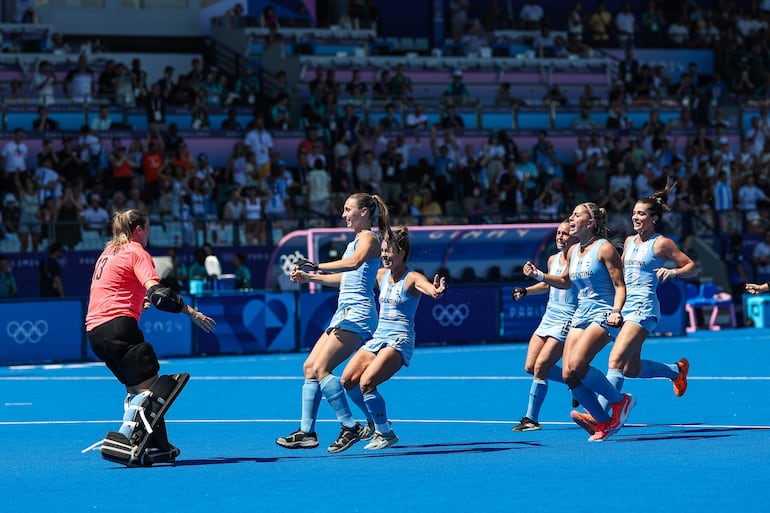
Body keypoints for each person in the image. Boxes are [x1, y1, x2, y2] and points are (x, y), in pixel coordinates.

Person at [84, 209, 215, 466]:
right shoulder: (136, 251)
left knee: (140, 387)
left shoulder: (108, 252)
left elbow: (115, 286)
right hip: (117, 326)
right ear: (138, 230)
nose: (150, 233)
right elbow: (161, 296)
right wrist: (191, 313)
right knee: (154, 391)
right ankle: (123, 438)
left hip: (95, 331)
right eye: (148, 227)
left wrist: (138, 299)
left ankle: (160, 448)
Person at [573, 186, 696, 435]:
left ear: (654, 219)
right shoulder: (628, 241)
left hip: (644, 308)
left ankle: (602, 417)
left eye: (641, 214)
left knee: (615, 360)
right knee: (631, 368)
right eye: (634, 213)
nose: (636, 218)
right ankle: (676, 370)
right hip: (625, 308)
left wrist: (672, 272)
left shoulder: (661, 244)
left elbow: (691, 266)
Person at [276, 193, 392, 453]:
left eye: (348, 209)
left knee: (322, 369)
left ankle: (349, 426)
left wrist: (317, 264)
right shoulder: (354, 242)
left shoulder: (369, 239)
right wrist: (311, 277)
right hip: (344, 311)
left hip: (358, 314)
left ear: (364, 212)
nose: (344, 215)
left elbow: (353, 264)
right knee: (309, 367)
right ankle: (306, 432)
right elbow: (346, 278)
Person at [522, 202, 635, 442]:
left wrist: (617, 311)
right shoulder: (574, 252)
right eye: (571, 215)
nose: (571, 219)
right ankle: (603, 422)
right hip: (580, 314)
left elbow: (619, 285)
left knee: (576, 365)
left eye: (576, 215)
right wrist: (538, 276)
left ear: (590, 223)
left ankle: (619, 401)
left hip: (603, 313)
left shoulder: (604, 249)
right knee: (569, 374)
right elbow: (564, 281)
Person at [338, 226, 446, 449]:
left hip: (400, 340)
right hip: (379, 338)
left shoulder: (412, 278)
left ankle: (385, 433)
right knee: (347, 381)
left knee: (367, 382)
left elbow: (430, 290)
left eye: (389, 251)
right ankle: (374, 421)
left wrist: (436, 290)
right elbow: (345, 279)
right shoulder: (380, 275)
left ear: (402, 254)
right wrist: (313, 277)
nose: (384, 255)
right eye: (383, 251)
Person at [510, 220, 578, 431]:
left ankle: (531, 419)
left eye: (565, 234)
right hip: (549, 316)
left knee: (541, 367)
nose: (560, 237)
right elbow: (550, 282)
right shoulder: (552, 259)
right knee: (530, 366)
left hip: (568, 318)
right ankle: (576, 382)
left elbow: (564, 281)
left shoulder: (578, 259)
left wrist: (537, 274)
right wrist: (527, 290)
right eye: (558, 233)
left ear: (575, 237)